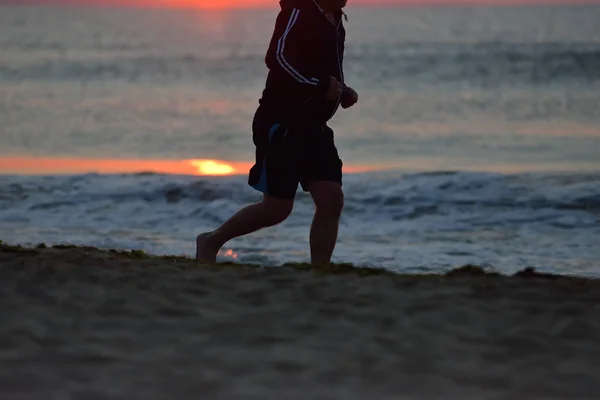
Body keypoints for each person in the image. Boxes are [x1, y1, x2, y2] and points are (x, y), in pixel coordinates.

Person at [195, 0, 358, 264]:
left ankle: (320, 272)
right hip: (282, 123)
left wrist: (341, 90)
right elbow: (278, 58)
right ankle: (211, 240)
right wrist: (320, 86)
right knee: (277, 209)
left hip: (315, 126)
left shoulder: (336, 19)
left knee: (331, 198)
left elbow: (323, 69)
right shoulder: (298, 11)